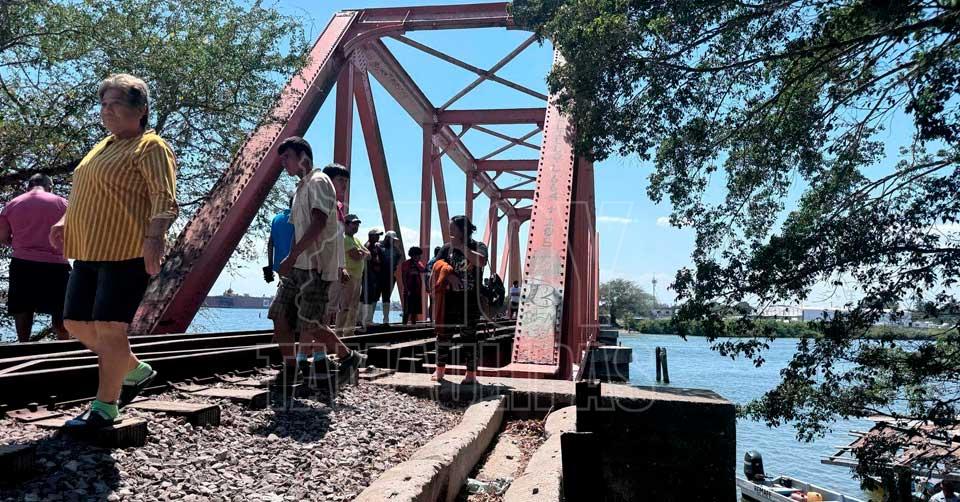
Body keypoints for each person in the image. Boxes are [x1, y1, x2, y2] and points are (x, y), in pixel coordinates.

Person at [50, 74, 177, 430]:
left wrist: (155, 238)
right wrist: (64, 220)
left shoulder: (150, 146)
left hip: (126, 251)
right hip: (89, 250)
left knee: (109, 330)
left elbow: (164, 197)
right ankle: (134, 369)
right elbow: (85, 191)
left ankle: (105, 407)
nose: (107, 110)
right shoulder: (102, 146)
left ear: (141, 109)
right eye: (104, 104)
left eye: (116, 103)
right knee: (74, 322)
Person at [266, 138, 364, 386]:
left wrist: (292, 256)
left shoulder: (319, 181)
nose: (283, 163)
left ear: (302, 157)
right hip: (298, 266)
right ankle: (291, 369)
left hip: (315, 267)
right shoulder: (301, 188)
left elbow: (319, 223)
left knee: (310, 322)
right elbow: (297, 230)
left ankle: (348, 357)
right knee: (279, 315)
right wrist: (290, 259)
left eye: (287, 157)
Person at [0, 174, 71, 342]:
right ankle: (64, 344)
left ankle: (23, 346)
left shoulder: (13, 204)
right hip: (56, 265)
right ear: (50, 188)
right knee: (60, 311)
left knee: (23, 309)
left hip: (23, 263)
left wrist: (20, 244)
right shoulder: (63, 204)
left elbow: (3, 237)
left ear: (28, 187)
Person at [431, 216, 488, 385]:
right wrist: (448, 275)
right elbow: (435, 266)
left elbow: (481, 261)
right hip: (449, 299)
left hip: (470, 300)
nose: (450, 232)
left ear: (463, 230)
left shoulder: (478, 246)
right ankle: (439, 369)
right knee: (443, 335)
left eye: (453, 229)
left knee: (469, 337)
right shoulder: (446, 248)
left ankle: (471, 374)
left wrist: (462, 248)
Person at [335, 214, 368, 336]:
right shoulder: (345, 238)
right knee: (345, 306)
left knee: (354, 306)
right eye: (354, 224)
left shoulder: (356, 240)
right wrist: (361, 253)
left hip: (357, 276)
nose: (356, 226)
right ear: (346, 224)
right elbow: (356, 256)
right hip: (348, 276)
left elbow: (368, 254)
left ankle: (349, 332)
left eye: (357, 224)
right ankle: (338, 333)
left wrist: (361, 252)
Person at [263, 198, 294, 284]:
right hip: (296, 266)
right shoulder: (298, 219)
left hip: (280, 266)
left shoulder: (276, 218)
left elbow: (270, 243)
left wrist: (270, 266)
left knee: (284, 288)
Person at [359, 228, 383, 330]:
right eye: (376, 235)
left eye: (379, 235)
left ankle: (361, 319)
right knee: (367, 297)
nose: (378, 237)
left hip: (371, 275)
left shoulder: (374, 246)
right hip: (368, 275)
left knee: (365, 296)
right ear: (371, 236)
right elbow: (367, 262)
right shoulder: (368, 246)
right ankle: (366, 320)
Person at [378, 230, 404, 326]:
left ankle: (386, 319)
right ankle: (368, 319)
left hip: (389, 276)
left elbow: (399, 258)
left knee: (386, 297)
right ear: (387, 238)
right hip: (378, 275)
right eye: (392, 239)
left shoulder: (396, 250)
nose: (393, 241)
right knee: (374, 297)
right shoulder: (378, 245)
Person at [399, 247, 425, 325]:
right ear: (413, 255)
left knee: (415, 309)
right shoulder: (406, 264)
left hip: (417, 289)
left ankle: (413, 324)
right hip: (409, 289)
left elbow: (423, 270)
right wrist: (406, 289)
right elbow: (403, 277)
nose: (419, 257)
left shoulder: (419, 264)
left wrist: (417, 265)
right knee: (407, 309)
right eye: (418, 255)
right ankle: (404, 324)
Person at [425, 246, 441, 321]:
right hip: (436, 284)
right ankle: (437, 319)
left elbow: (426, 275)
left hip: (429, 284)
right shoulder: (438, 261)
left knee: (431, 303)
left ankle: (431, 319)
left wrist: (426, 286)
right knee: (438, 302)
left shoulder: (429, 262)